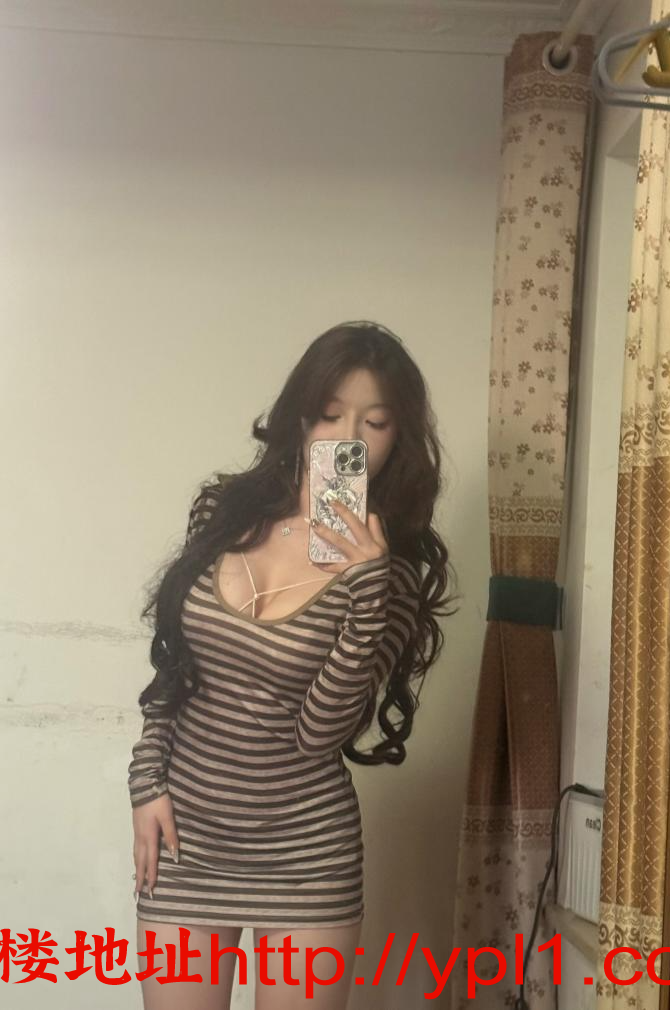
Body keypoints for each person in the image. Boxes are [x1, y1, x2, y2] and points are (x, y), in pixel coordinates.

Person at [127, 320, 457, 1009]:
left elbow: (317, 735)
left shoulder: (392, 578)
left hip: (306, 859)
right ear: (301, 417)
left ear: (398, 437)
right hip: (187, 843)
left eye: (374, 422)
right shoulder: (229, 514)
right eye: (330, 414)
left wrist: (366, 594)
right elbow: (176, 671)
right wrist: (146, 784)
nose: (347, 438)